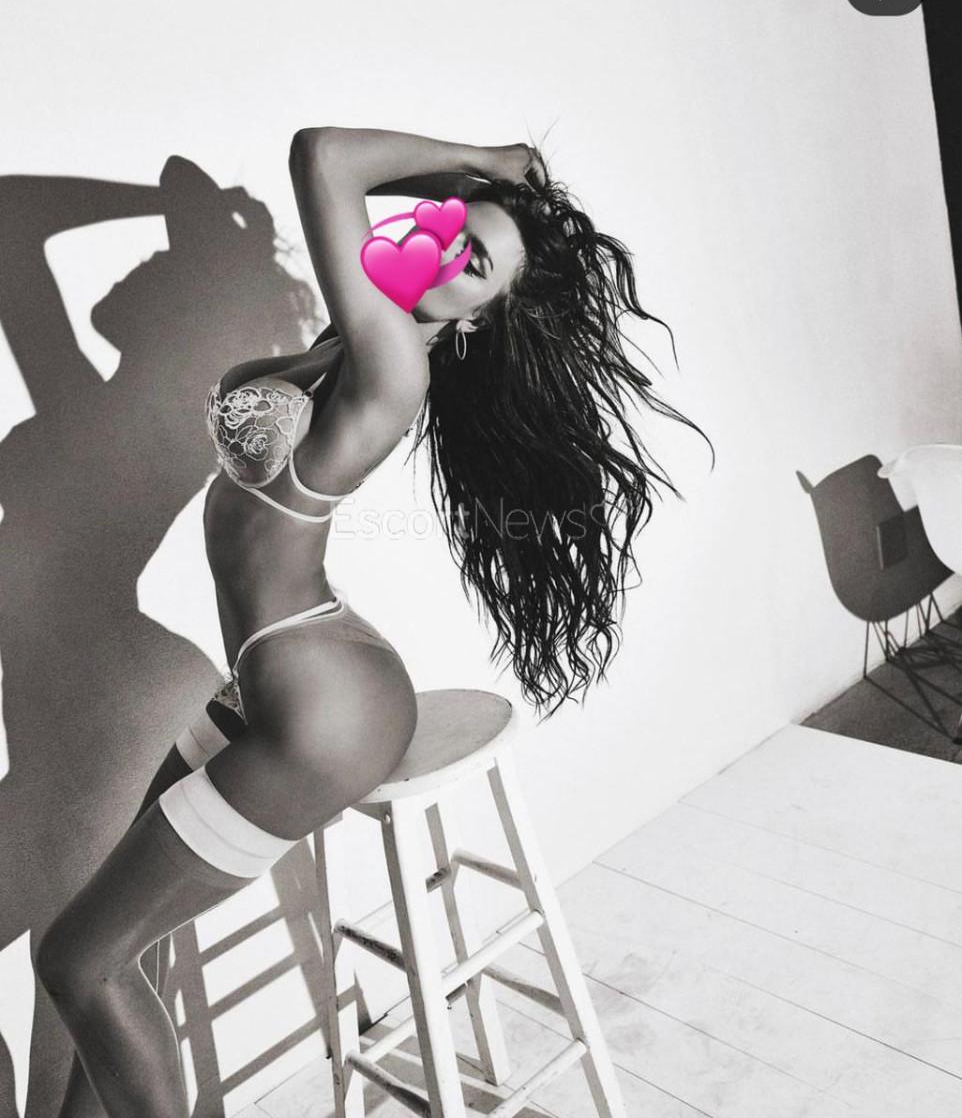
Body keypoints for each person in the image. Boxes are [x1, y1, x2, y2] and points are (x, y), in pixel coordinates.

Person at [35, 126, 711, 1115]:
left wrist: (492, 161)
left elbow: (322, 156)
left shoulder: (393, 363)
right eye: (449, 226)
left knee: (77, 960)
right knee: (112, 950)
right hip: (290, 671)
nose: (442, 249)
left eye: (471, 263)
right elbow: (44, 242)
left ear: (479, 320)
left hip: (322, 712)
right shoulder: (349, 342)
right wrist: (481, 194)